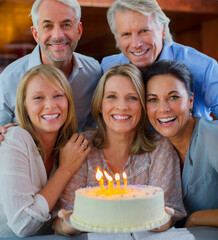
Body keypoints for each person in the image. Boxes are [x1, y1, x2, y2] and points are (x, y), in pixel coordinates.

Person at [52, 63, 186, 235]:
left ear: (143, 106)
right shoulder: (80, 146)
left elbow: (167, 215)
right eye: (112, 96)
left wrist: (162, 220)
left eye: (132, 98)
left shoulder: (159, 149)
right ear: (100, 104)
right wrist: (73, 223)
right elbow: (60, 221)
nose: (122, 106)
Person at [0, 65, 91, 237]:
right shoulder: (14, 139)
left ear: (68, 102)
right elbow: (22, 225)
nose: (50, 105)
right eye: (38, 98)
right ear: (24, 105)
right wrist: (65, 170)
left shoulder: (71, 147)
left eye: (58, 95)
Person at [101, 0, 218, 120]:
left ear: (162, 30)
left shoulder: (203, 68)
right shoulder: (107, 68)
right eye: (126, 34)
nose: (136, 44)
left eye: (144, 31)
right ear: (117, 39)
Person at [0, 0, 102, 137]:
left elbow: (95, 125)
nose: (58, 35)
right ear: (36, 34)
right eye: (48, 26)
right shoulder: (9, 80)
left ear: (78, 30)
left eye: (66, 25)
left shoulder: (94, 71)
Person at [143, 59, 218, 227]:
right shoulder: (157, 149)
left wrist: (195, 219)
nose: (163, 109)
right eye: (153, 99)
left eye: (173, 97)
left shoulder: (212, 135)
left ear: (190, 101)